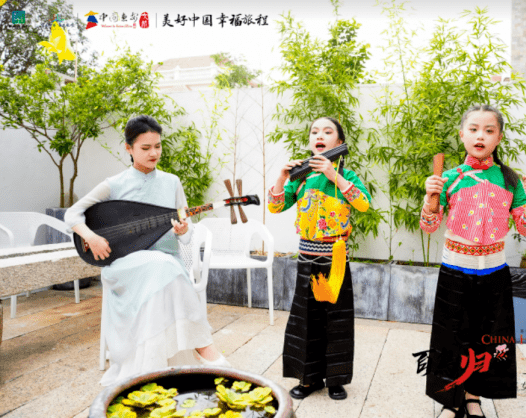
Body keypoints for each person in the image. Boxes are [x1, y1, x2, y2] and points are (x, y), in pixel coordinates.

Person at [65, 115, 230, 386]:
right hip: (125, 266)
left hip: (166, 262)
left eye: (158, 146)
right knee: (163, 266)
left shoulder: (171, 182)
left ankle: (167, 358)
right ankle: (204, 347)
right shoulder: (114, 184)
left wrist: (183, 231)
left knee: (164, 265)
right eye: (145, 148)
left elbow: (187, 235)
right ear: (128, 148)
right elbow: (72, 213)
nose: (154, 153)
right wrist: (91, 236)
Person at [419, 105, 526, 418]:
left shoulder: (511, 180)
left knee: (486, 339)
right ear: (462, 134)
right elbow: (429, 226)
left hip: (494, 272)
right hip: (454, 270)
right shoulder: (449, 178)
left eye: (489, 130)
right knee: (451, 337)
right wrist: (428, 199)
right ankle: (451, 399)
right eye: (473, 129)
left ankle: (472, 397)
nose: (480, 136)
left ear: (498, 138)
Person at [268, 117, 371, 401]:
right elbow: (276, 207)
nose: (319, 135)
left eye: (327, 131)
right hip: (306, 257)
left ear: (339, 142)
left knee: (336, 321)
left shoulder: (346, 176)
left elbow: (363, 203)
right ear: (310, 141)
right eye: (314, 132)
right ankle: (309, 378)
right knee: (306, 321)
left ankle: (336, 379)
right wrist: (281, 177)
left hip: (335, 258)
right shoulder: (300, 177)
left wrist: (333, 174)